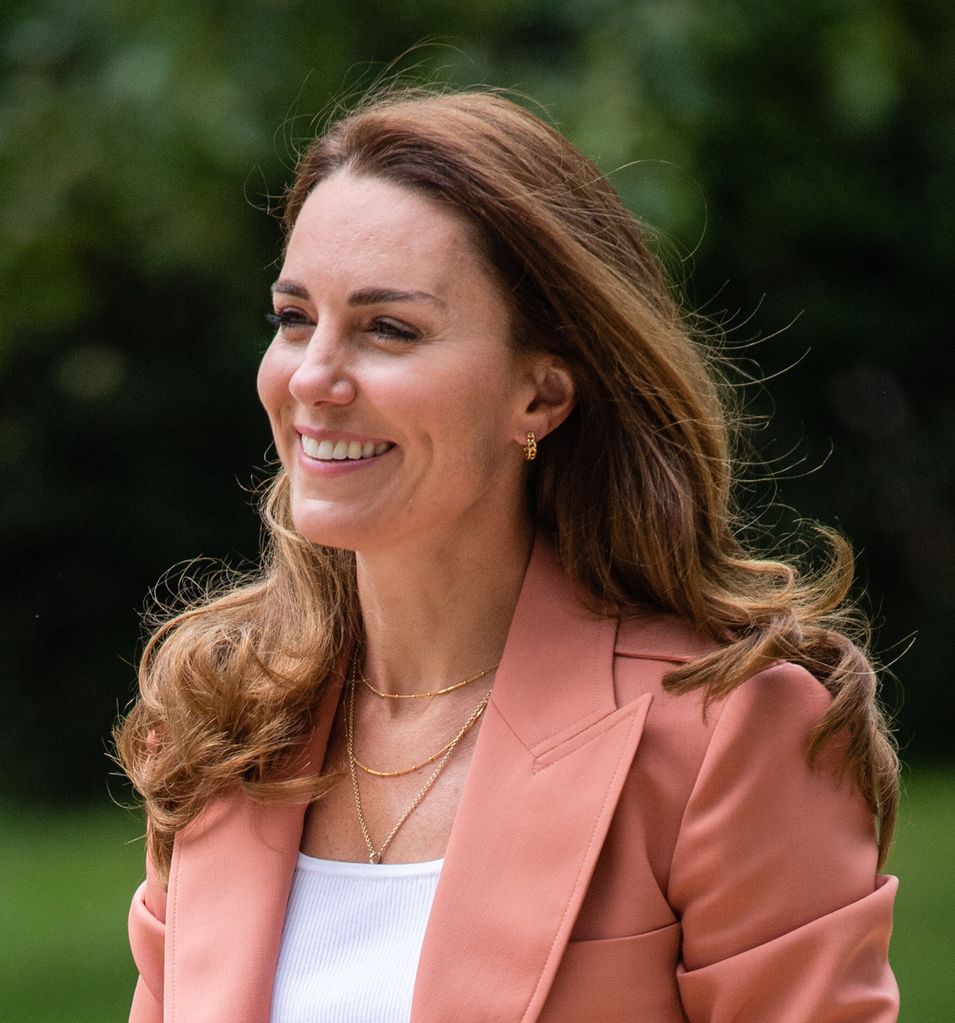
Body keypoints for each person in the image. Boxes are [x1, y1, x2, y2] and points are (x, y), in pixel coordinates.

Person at [116, 88, 900, 1022]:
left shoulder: (725, 736)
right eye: (294, 318)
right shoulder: (223, 730)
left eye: (387, 329)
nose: (312, 378)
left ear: (541, 396)